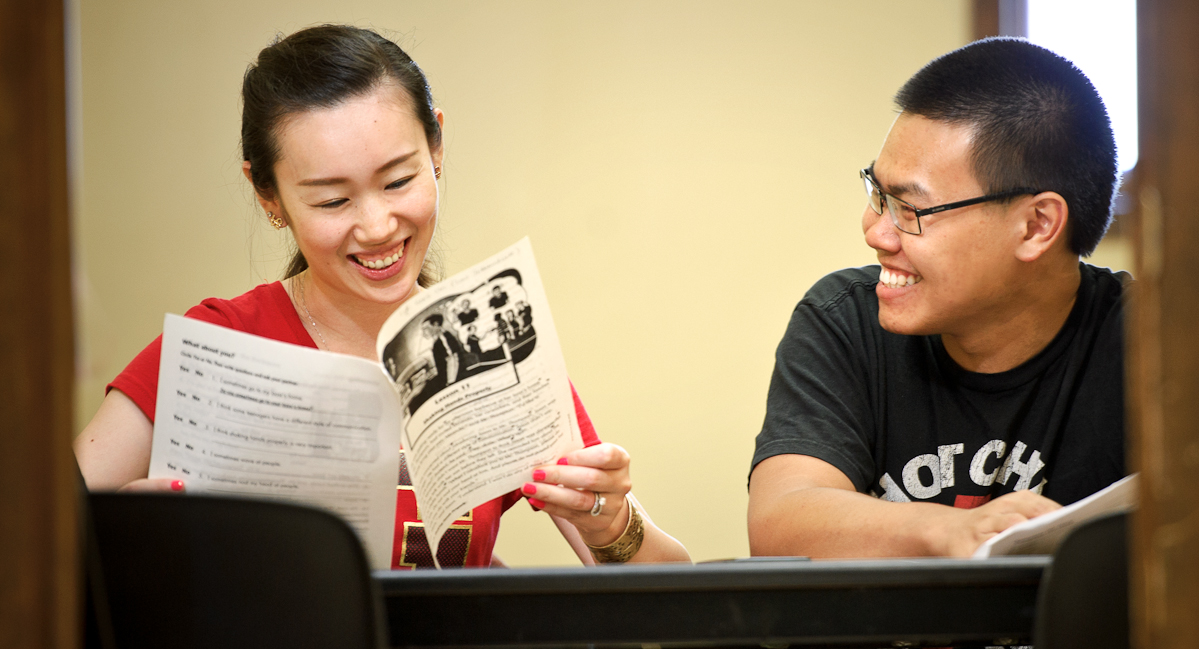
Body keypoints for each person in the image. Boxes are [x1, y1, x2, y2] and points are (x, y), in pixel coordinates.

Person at [74, 24, 689, 568]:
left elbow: (672, 592)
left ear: (437, 147)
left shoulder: (494, 346)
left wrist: (614, 525)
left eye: (399, 180)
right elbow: (35, 541)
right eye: (332, 200)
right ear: (267, 195)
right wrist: (117, 540)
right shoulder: (220, 344)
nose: (377, 227)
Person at [748, 38, 1125, 559]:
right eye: (878, 194)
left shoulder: (1153, 338)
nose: (876, 233)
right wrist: (952, 531)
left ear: (1037, 225)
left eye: (910, 208)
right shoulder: (845, 319)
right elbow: (782, 522)